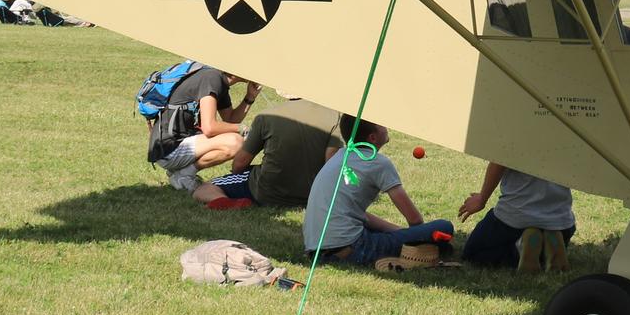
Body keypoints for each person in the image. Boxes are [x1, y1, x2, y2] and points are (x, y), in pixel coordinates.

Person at [301, 117, 453, 268]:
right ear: (372, 138)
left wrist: (399, 232)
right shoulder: (377, 163)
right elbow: (415, 220)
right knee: (444, 227)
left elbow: (358, 214)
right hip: (353, 249)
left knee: (393, 235)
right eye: (381, 124)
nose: (386, 125)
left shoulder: (340, 155)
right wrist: (412, 235)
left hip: (318, 252)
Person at [213, 97, 343, 211]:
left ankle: (230, 202)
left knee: (208, 187)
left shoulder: (267, 116)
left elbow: (239, 164)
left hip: (266, 194)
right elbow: (331, 163)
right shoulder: (335, 117)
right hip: (310, 196)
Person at [150, 64, 257, 196]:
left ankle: (181, 172)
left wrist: (250, 97)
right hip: (168, 149)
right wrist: (243, 129)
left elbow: (231, 120)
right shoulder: (212, 78)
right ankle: (184, 175)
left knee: (235, 138)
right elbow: (209, 128)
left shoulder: (219, 80)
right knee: (235, 142)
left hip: (177, 144)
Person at [458, 162, 575, 269]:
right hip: (561, 223)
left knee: (473, 253)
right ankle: (549, 245)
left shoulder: (516, 143)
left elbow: (498, 163)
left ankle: (520, 249)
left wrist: (481, 199)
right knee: (550, 236)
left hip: (515, 219)